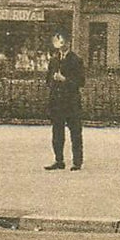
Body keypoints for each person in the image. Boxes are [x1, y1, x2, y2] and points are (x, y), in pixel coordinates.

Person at [44, 31, 85, 171]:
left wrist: (65, 80)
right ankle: (59, 160)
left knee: (75, 132)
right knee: (57, 132)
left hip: (71, 102)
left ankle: (77, 162)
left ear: (69, 43)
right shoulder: (54, 60)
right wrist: (53, 81)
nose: (61, 45)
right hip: (57, 102)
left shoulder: (76, 60)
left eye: (64, 42)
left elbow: (81, 81)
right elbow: (48, 79)